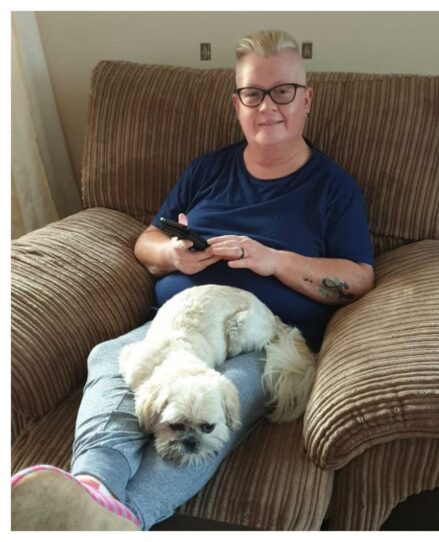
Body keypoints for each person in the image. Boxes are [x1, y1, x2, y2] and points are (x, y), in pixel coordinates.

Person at [12, 29, 375, 530]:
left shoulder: (332, 188)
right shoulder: (208, 170)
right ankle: (93, 489)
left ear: (307, 98)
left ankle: (125, 520)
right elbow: (147, 241)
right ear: (237, 103)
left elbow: (358, 279)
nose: (268, 106)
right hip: (176, 327)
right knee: (108, 358)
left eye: (283, 91)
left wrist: (274, 261)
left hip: (263, 342)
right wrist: (173, 255)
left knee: (213, 398)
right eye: (253, 93)